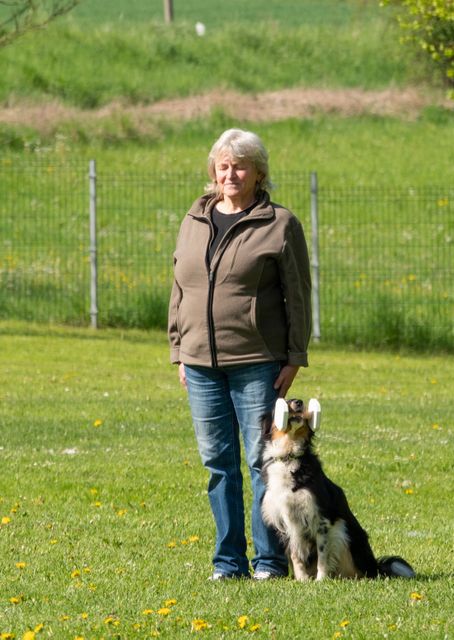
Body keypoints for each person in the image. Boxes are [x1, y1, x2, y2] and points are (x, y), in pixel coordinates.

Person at [168, 128, 312, 580]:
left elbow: (298, 295)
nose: (231, 174)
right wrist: (179, 349)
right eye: (224, 166)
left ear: (259, 173)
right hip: (199, 364)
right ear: (214, 170)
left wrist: (294, 355)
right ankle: (228, 563)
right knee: (218, 465)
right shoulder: (193, 219)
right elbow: (179, 286)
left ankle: (269, 562)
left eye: (241, 166)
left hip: (257, 362)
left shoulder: (280, 224)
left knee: (260, 462)